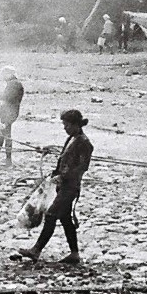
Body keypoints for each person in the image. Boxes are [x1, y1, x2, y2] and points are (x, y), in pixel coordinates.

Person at [18, 109, 93, 265]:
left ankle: (36, 250)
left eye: (66, 124)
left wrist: (63, 176)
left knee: (51, 214)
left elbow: (82, 167)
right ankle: (74, 254)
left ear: (75, 125)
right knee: (65, 219)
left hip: (70, 187)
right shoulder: (71, 139)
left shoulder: (85, 143)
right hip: (62, 186)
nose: (64, 127)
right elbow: (64, 159)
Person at [0, 66, 24, 164]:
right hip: (11, 111)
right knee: (3, 133)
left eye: (4, 75)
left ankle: (6, 158)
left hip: (9, 112)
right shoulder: (15, 83)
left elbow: (8, 97)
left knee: (6, 134)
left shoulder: (13, 84)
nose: (3, 77)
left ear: (9, 74)